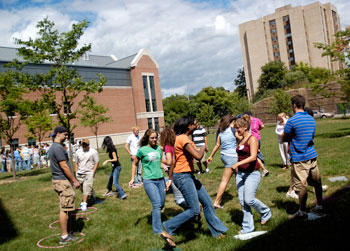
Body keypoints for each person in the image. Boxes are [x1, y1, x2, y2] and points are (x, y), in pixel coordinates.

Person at [163, 115, 227, 239]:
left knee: (208, 203)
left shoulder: (181, 138)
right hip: (183, 176)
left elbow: (174, 161)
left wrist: (171, 178)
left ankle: (217, 232)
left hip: (186, 175)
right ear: (188, 125)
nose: (196, 124)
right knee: (194, 210)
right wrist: (203, 146)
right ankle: (169, 226)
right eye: (195, 122)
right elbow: (198, 156)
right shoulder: (182, 138)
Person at [128, 129, 176, 248]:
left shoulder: (159, 149)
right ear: (147, 138)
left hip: (160, 179)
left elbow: (158, 162)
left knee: (161, 204)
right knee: (156, 204)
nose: (154, 140)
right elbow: (134, 164)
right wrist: (132, 178)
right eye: (152, 138)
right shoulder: (142, 150)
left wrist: (164, 166)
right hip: (149, 180)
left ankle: (155, 216)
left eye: (156, 137)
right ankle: (158, 230)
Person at [282, 95, 325, 220]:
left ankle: (301, 211)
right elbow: (311, 136)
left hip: (299, 157)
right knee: (317, 183)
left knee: (301, 186)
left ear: (294, 105)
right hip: (312, 155)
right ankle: (319, 206)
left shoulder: (292, 121)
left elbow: (284, 138)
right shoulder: (311, 119)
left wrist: (291, 137)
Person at [232, 118, 272, 234]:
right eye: (235, 127)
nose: (236, 129)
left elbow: (253, 157)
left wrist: (237, 163)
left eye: (238, 127)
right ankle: (248, 227)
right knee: (242, 201)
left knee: (249, 199)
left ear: (245, 127)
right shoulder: (241, 139)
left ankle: (265, 212)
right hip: (240, 174)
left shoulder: (252, 139)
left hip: (252, 173)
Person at [48, 126, 80, 244]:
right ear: (58, 134)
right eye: (65, 135)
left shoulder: (55, 147)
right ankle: (64, 236)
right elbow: (64, 166)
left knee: (68, 208)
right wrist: (74, 181)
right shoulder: (58, 148)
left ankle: (69, 231)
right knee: (65, 209)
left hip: (60, 181)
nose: (67, 137)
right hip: (62, 181)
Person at [207, 114, 238, 209]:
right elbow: (243, 139)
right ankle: (216, 202)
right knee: (225, 181)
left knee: (240, 175)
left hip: (224, 156)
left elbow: (217, 145)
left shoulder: (221, 132)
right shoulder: (233, 131)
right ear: (232, 122)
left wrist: (211, 156)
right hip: (232, 157)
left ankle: (244, 195)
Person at [160, 125, 187, 209]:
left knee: (179, 199)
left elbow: (169, 161)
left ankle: (193, 210)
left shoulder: (168, 147)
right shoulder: (174, 144)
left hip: (174, 173)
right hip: (181, 169)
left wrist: (160, 161)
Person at [275, 113, 298, 199]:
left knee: (287, 151)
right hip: (280, 139)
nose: (279, 119)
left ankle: (288, 162)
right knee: (282, 151)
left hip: (286, 139)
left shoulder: (287, 121)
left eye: (281, 117)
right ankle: (285, 163)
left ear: (283, 117)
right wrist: (280, 133)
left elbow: (288, 129)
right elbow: (276, 130)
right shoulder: (278, 122)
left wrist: (284, 121)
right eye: (279, 117)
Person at [74, 139, 99, 211]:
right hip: (80, 173)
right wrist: (76, 172)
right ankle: (93, 196)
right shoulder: (78, 152)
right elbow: (75, 162)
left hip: (89, 172)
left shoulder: (93, 152)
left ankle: (84, 203)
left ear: (89, 145)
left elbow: (96, 162)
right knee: (82, 188)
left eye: (86, 145)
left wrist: (93, 172)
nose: (84, 146)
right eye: (83, 145)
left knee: (86, 187)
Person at [243, 111, 269, 177]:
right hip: (258, 137)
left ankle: (263, 168)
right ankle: (262, 167)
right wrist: (257, 130)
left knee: (254, 154)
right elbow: (262, 126)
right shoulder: (256, 119)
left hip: (251, 139)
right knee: (256, 153)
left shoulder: (246, 122)